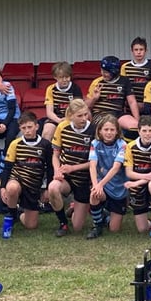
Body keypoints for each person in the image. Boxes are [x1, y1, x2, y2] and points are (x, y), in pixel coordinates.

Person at [0, 111, 53, 237]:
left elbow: (50, 168)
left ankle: (20, 214)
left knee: (31, 226)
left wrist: (47, 189)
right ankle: (11, 216)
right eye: (23, 128)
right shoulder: (15, 144)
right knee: (12, 188)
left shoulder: (45, 145)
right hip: (17, 179)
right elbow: (7, 167)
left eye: (29, 127)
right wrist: (2, 187)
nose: (27, 130)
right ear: (20, 129)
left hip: (33, 186)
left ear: (36, 126)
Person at [47, 99, 95, 237]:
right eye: (79, 116)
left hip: (84, 179)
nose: (84, 118)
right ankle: (62, 223)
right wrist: (57, 171)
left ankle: (77, 208)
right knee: (52, 187)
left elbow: (93, 162)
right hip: (66, 178)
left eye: (85, 114)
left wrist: (73, 168)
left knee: (78, 227)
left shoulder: (93, 130)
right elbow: (55, 155)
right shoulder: (62, 127)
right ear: (70, 115)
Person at [124, 115, 151, 237]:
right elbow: (129, 173)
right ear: (139, 131)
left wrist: (137, 181)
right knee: (142, 229)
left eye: (150, 131)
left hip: (149, 183)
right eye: (144, 131)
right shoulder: (130, 147)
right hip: (137, 186)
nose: (147, 134)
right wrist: (145, 177)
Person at [87, 114, 128, 239]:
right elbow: (92, 165)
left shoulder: (122, 144)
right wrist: (96, 185)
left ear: (117, 131)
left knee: (114, 229)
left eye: (112, 130)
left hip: (118, 188)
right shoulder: (95, 143)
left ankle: (104, 215)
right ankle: (97, 225)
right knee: (94, 194)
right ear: (99, 131)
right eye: (106, 129)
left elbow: (115, 168)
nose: (109, 133)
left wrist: (100, 184)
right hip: (102, 186)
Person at [86, 55, 139, 131]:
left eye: (106, 72)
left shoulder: (124, 81)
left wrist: (137, 120)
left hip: (118, 114)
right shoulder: (97, 82)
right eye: (102, 70)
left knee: (135, 126)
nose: (103, 74)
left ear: (115, 72)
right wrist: (94, 98)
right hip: (101, 114)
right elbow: (86, 106)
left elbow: (132, 102)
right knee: (109, 127)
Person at [42, 61, 83, 142]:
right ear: (55, 77)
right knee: (47, 131)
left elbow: (79, 109)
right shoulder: (50, 89)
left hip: (72, 117)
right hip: (56, 118)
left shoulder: (76, 88)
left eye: (67, 77)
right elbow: (49, 112)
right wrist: (59, 120)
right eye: (61, 77)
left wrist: (68, 119)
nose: (64, 80)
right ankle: (46, 153)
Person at [121, 36, 151, 107]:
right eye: (136, 50)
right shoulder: (125, 67)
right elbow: (123, 87)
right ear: (132, 51)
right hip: (130, 105)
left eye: (141, 49)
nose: (139, 52)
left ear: (146, 50)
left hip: (147, 104)